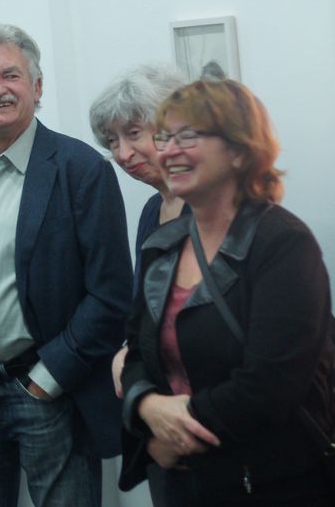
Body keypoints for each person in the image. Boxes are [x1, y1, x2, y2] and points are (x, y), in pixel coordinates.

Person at [0, 24, 132, 507]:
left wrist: (51, 375)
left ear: (37, 87)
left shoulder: (82, 169)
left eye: (11, 75)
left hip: (47, 393)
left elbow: (111, 293)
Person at [119, 79, 334, 506]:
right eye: (164, 137)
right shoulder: (162, 245)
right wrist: (145, 407)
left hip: (273, 482)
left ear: (239, 150)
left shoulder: (283, 243)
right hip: (184, 486)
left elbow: (270, 386)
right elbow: (136, 353)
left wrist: (172, 434)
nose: (168, 151)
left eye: (187, 136)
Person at [88, 64, 189, 388]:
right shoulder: (152, 210)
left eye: (133, 134)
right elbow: (145, 310)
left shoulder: (210, 209)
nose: (123, 154)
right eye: (112, 141)